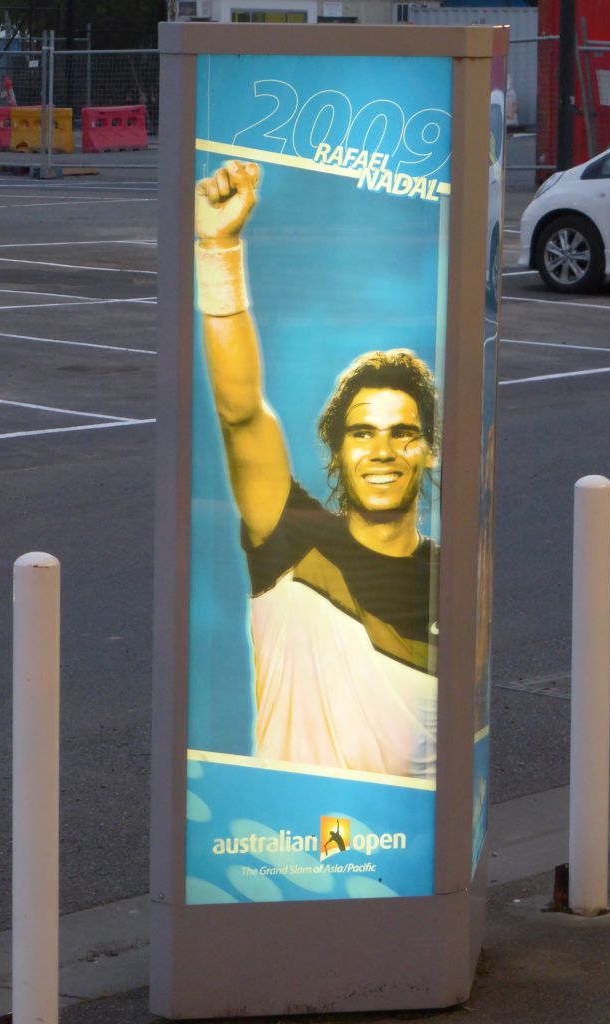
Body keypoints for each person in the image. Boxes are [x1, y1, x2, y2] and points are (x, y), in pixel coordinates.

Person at [195, 160, 439, 782]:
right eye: (362, 433)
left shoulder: (451, 577)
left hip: (400, 842)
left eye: (402, 433)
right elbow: (240, 412)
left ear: (429, 450)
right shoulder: (291, 541)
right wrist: (217, 248)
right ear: (338, 452)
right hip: (284, 848)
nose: (381, 451)